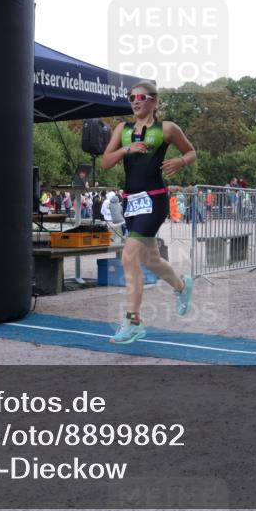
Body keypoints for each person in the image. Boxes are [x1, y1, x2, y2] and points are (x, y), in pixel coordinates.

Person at [101, 80, 196, 345]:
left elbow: (191, 152)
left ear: (153, 100)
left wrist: (180, 161)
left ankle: (133, 321)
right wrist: (125, 149)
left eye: (140, 97)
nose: (134, 101)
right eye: (131, 97)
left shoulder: (167, 129)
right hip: (131, 202)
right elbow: (106, 162)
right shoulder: (123, 129)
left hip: (154, 200)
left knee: (129, 256)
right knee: (151, 260)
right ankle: (181, 285)